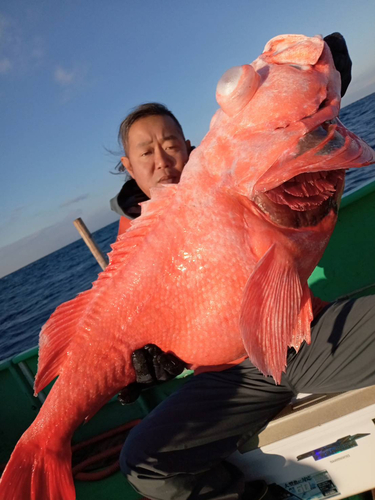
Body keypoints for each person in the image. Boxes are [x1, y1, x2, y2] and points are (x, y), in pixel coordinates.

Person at [110, 35, 375, 500]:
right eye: (146, 152)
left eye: (170, 144)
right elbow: (125, 333)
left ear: (191, 147)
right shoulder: (126, 251)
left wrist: (315, 80)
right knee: (145, 463)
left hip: (301, 337)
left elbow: (300, 114)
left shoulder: (234, 175)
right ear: (129, 167)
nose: (162, 159)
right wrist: (145, 369)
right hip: (229, 378)